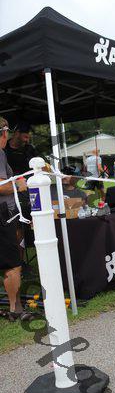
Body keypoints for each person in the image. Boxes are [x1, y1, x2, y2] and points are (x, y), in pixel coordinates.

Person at [0, 117, 33, 321]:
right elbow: (1, 185)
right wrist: (18, 185)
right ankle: (16, 309)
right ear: (4, 133)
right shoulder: (0, 153)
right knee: (13, 264)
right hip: (3, 213)